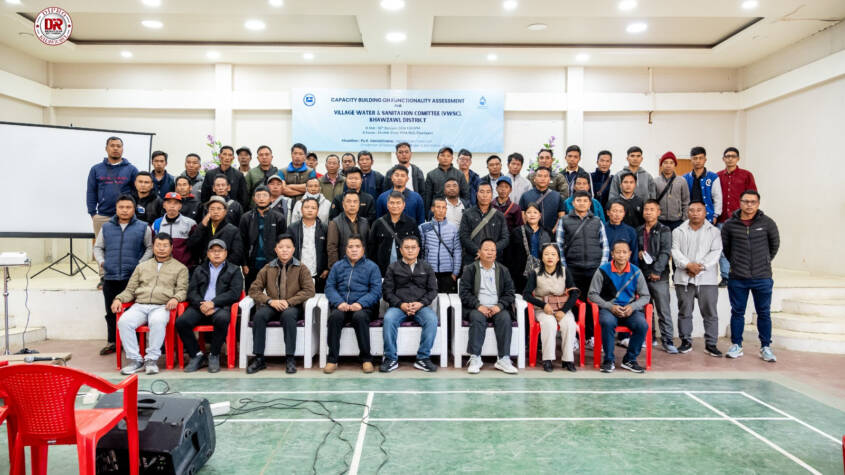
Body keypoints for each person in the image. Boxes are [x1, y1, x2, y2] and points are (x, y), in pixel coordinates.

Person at [113, 233, 188, 375]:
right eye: (158, 245)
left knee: (157, 321)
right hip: (140, 305)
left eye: (165, 246)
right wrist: (119, 299)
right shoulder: (142, 267)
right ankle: (136, 360)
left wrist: (175, 298)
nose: (161, 249)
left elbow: (182, 290)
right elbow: (130, 290)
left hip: (162, 306)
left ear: (171, 247)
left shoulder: (180, 268)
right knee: (124, 322)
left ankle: (151, 360)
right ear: (153, 247)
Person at [722, 190, 779, 362]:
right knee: (737, 312)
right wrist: (737, 263)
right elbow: (726, 249)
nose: (749, 205)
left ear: (758, 204)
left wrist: (764, 261)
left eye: (753, 202)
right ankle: (736, 345)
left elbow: (774, 245)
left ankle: (765, 347)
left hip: (762, 277)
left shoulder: (768, 223)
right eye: (746, 201)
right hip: (738, 278)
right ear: (740, 203)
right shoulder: (730, 225)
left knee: (764, 313)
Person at [246, 234, 316, 374]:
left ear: (293, 249)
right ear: (275, 249)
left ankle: (290, 358)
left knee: (288, 316)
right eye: (281, 247)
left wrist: (289, 302)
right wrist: (270, 301)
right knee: (259, 316)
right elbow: (253, 290)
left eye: (288, 247)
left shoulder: (301, 268)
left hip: (292, 307)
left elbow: (309, 290)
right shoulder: (268, 268)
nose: (284, 250)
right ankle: (259, 358)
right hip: (272, 305)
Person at [94, 194, 152, 356]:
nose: (125, 210)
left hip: (133, 278)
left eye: (128, 207)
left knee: (134, 313)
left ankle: (135, 343)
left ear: (134, 209)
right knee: (111, 312)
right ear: (116, 209)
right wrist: (102, 262)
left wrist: (140, 264)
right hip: (111, 277)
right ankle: (112, 342)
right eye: (121, 207)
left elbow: (150, 248)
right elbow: (98, 247)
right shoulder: (106, 227)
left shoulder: (143, 227)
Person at [177, 239, 243, 373]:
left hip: (220, 307)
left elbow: (235, 293)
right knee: (181, 322)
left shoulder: (234, 270)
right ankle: (196, 355)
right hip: (200, 306)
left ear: (226, 253)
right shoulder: (199, 269)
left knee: (222, 319)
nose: (216, 254)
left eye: (220, 251)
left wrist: (213, 303)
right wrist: (201, 304)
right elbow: (192, 292)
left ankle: (214, 354)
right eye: (213, 251)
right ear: (208, 253)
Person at [555, 190, 609, 344]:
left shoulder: (597, 221)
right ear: (573, 203)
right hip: (572, 268)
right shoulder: (564, 220)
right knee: (572, 302)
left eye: (585, 201)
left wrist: (601, 268)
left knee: (593, 302)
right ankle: (574, 336)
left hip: (594, 269)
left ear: (590, 203)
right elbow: (559, 246)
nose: (582, 203)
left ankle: (591, 336)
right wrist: (564, 267)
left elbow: (605, 245)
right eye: (578, 200)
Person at [380, 235, 439, 373]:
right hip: (399, 307)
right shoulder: (393, 267)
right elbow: (387, 292)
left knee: (432, 319)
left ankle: (423, 358)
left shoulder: (426, 267)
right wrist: (401, 304)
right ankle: (390, 358)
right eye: (407, 247)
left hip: (421, 307)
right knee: (389, 319)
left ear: (418, 249)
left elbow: (433, 290)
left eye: (413, 247)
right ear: (401, 250)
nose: (410, 250)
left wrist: (421, 303)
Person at [323, 236, 382, 374]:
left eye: (357, 246)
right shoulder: (337, 266)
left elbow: (376, 291)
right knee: (334, 317)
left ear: (363, 249)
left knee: (359, 317)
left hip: (365, 308)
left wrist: (360, 303)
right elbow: (329, 287)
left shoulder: (372, 267)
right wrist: (339, 302)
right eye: (350, 247)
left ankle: (366, 359)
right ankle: (332, 359)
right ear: (346, 249)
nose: (354, 250)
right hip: (342, 306)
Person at [590, 240, 651, 373]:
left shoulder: (636, 271)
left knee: (642, 325)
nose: (621, 255)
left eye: (624, 252)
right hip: (609, 309)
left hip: (630, 310)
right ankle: (609, 360)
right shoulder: (602, 270)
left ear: (629, 254)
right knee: (607, 322)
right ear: (612, 254)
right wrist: (610, 306)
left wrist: (632, 307)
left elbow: (645, 296)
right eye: (618, 252)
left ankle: (629, 359)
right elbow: (592, 294)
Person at [671, 201, 723, 356]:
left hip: (707, 279)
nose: (695, 213)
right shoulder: (678, 231)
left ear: (705, 212)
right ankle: (685, 341)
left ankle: (711, 344)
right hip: (684, 278)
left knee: (710, 312)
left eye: (699, 210)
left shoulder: (714, 232)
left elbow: (716, 252)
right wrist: (688, 265)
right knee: (684, 311)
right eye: (691, 210)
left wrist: (700, 267)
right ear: (687, 212)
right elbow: (675, 251)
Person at [460, 239, 518, 374]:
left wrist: (499, 306)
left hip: (497, 308)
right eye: (486, 250)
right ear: (479, 252)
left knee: (505, 318)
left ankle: (504, 358)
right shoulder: (470, 269)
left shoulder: (503, 270)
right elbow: (464, 292)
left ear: (496, 254)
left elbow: (510, 293)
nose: (490, 253)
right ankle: (475, 357)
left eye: (493, 250)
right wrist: (478, 305)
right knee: (477, 318)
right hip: (477, 308)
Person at [87, 136, 139, 287]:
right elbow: (91, 191)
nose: (115, 148)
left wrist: (131, 211)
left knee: (125, 247)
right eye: (112, 145)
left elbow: (136, 192)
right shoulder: (96, 169)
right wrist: (93, 213)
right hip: (102, 215)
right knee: (102, 247)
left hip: (125, 216)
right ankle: (104, 276)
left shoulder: (131, 169)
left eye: (118, 146)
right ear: (106, 148)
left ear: (122, 149)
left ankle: (127, 276)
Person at [522, 243, 580, 372]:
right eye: (546, 254)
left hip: (562, 308)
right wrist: (543, 305)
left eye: (553, 254)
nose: (550, 257)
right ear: (542, 258)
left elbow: (574, 293)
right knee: (549, 324)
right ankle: (547, 359)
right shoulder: (535, 273)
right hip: (543, 309)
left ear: (558, 258)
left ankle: (568, 360)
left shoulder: (564, 271)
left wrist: (564, 311)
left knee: (569, 324)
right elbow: (526, 294)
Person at [637, 200, 675, 353]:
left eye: (652, 209)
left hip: (660, 276)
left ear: (658, 212)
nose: (648, 212)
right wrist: (639, 253)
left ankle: (668, 340)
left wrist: (657, 271)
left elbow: (665, 252)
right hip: (642, 275)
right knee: (645, 309)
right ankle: (648, 337)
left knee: (663, 309)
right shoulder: (639, 230)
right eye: (646, 209)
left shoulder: (664, 230)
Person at [717, 147, 757, 285]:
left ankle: (741, 275)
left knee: (741, 247)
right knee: (723, 249)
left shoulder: (746, 175)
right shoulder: (717, 176)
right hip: (722, 219)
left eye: (733, 156)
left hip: (741, 219)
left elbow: (752, 197)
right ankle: (726, 276)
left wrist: (750, 215)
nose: (730, 159)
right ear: (723, 159)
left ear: (738, 159)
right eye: (727, 156)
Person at [240, 185, 287, 288]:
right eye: (258, 196)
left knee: (273, 292)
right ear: (254, 199)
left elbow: (283, 243)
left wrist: (282, 262)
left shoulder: (279, 218)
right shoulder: (246, 218)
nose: (261, 198)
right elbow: (242, 242)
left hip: (273, 262)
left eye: (265, 195)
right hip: (252, 264)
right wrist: (244, 264)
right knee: (252, 292)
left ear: (270, 198)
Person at [368, 191, 420, 275]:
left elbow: (418, 246)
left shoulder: (411, 223)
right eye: (392, 203)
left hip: (406, 270)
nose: (395, 206)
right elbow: (371, 249)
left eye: (398, 203)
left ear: (404, 205)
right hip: (382, 270)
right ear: (387, 205)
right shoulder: (378, 223)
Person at [459, 182, 509, 267]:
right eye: (482, 192)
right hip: (472, 259)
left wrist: (491, 251)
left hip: (494, 260)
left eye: (488, 192)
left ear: (492, 195)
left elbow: (505, 238)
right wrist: (478, 251)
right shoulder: (467, 214)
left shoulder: (499, 215)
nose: (485, 195)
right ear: (477, 194)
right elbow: (463, 236)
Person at [506, 203, 553, 293]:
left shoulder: (547, 232)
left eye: (535, 212)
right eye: (529, 212)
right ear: (524, 215)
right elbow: (510, 256)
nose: (532, 215)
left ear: (540, 215)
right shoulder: (517, 232)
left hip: (544, 272)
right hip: (521, 274)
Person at [419, 197, 462, 293]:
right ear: (432, 209)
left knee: (446, 299)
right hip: (429, 271)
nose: (441, 210)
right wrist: (422, 270)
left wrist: (455, 273)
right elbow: (421, 251)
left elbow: (457, 251)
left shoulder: (453, 228)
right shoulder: (423, 227)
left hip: (448, 272)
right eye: (438, 207)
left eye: (444, 207)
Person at [187, 196, 244, 266]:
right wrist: (202, 226)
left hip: (226, 268)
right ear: (208, 211)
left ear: (225, 212)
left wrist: (222, 267)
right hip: (204, 267)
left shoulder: (233, 230)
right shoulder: (203, 227)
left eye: (219, 208)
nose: (215, 212)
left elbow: (236, 254)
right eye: (212, 209)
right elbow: (191, 244)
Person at [289, 197, 329, 292]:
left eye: (313, 208)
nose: (310, 210)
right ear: (301, 209)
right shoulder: (292, 228)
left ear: (317, 211)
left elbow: (328, 249)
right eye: (306, 207)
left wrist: (327, 268)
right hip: (297, 273)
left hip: (318, 274)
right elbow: (288, 250)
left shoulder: (324, 228)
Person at [152, 192, 196, 268]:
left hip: (183, 266)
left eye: (175, 203)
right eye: (169, 202)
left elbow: (195, 245)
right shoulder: (157, 223)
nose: (172, 206)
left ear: (180, 206)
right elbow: (152, 245)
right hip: (162, 266)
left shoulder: (190, 223)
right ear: (164, 205)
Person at [327, 191, 370, 268]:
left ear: (359, 204)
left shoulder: (365, 222)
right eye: (349, 201)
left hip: (362, 266)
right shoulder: (335, 223)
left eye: (355, 202)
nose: (352, 205)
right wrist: (336, 269)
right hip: (343, 267)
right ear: (343, 204)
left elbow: (368, 246)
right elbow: (332, 249)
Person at [519, 166, 567, 234]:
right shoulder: (526, 196)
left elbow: (561, 216)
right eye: (539, 176)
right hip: (531, 234)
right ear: (534, 179)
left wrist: (554, 230)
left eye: (545, 176)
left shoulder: (557, 196)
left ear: (549, 179)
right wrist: (529, 230)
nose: (543, 179)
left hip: (552, 234)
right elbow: (523, 215)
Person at [683, 146, 722, 226]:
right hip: (690, 217)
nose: (698, 161)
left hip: (708, 217)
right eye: (695, 158)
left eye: (701, 158)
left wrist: (715, 215)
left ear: (705, 159)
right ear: (691, 160)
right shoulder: (685, 178)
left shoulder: (713, 177)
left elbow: (717, 198)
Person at [423, 146, 469, 211]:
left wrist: (465, 210)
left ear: (452, 158)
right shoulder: (431, 175)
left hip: (456, 209)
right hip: (438, 210)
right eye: (442, 155)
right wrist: (428, 213)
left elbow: (465, 194)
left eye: (448, 156)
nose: (445, 158)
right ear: (438, 158)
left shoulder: (459, 174)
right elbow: (428, 197)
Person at [654, 151, 690, 230]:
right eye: (665, 162)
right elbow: (653, 202)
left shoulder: (682, 181)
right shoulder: (655, 181)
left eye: (671, 163)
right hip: (660, 221)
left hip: (677, 221)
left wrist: (684, 219)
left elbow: (686, 201)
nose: (668, 165)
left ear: (674, 165)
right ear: (661, 164)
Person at [604, 201, 639, 266]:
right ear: (608, 212)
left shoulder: (630, 231)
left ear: (624, 214)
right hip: (605, 267)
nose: (617, 214)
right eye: (614, 211)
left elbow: (634, 254)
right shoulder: (602, 229)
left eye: (621, 211)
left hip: (624, 268)